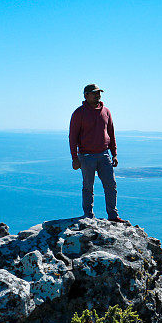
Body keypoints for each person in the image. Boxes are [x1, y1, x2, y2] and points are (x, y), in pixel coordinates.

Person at [69, 84, 129, 223]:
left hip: (104, 155)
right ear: (86, 95)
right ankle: (88, 215)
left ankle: (113, 216)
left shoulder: (106, 111)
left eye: (99, 93)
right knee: (88, 186)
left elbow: (111, 133)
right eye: (94, 93)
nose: (98, 95)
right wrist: (74, 158)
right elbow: (72, 137)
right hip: (86, 156)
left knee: (111, 185)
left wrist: (114, 154)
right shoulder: (79, 113)